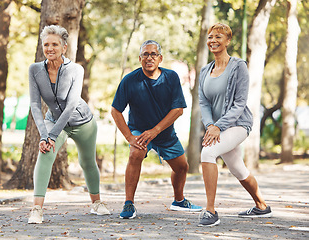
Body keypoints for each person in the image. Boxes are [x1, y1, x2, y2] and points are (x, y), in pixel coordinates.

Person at [28, 25, 110, 224]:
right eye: (46, 44)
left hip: (83, 122)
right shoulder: (35, 70)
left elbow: (72, 104)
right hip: (54, 120)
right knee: (45, 153)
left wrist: (52, 135)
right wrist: (45, 136)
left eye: (55, 44)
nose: (50, 48)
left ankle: (97, 203)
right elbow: (34, 105)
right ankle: (36, 209)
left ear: (64, 47)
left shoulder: (76, 70)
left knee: (87, 162)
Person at [111, 40, 202, 219]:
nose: (149, 58)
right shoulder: (129, 80)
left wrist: (156, 130)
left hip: (164, 132)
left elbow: (178, 110)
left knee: (182, 167)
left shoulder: (171, 77)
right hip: (139, 131)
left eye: (153, 54)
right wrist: (130, 137)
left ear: (160, 58)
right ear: (140, 58)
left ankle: (179, 201)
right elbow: (115, 111)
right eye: (145, 54)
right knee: (135, 153)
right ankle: (128, 203)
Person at [198, 23, 272, 227]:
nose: (213, 40)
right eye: (211, 36)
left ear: (228, 41)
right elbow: (203, 102)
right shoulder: (205, 70)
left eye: (218, 37)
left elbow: (240, 103)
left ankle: (210, 211)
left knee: (208, 153)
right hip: (217, 127)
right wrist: (210, 124)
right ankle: (262, 206)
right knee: (237, 168)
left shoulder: (238, 66)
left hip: (238, 125)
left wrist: (218, 126)